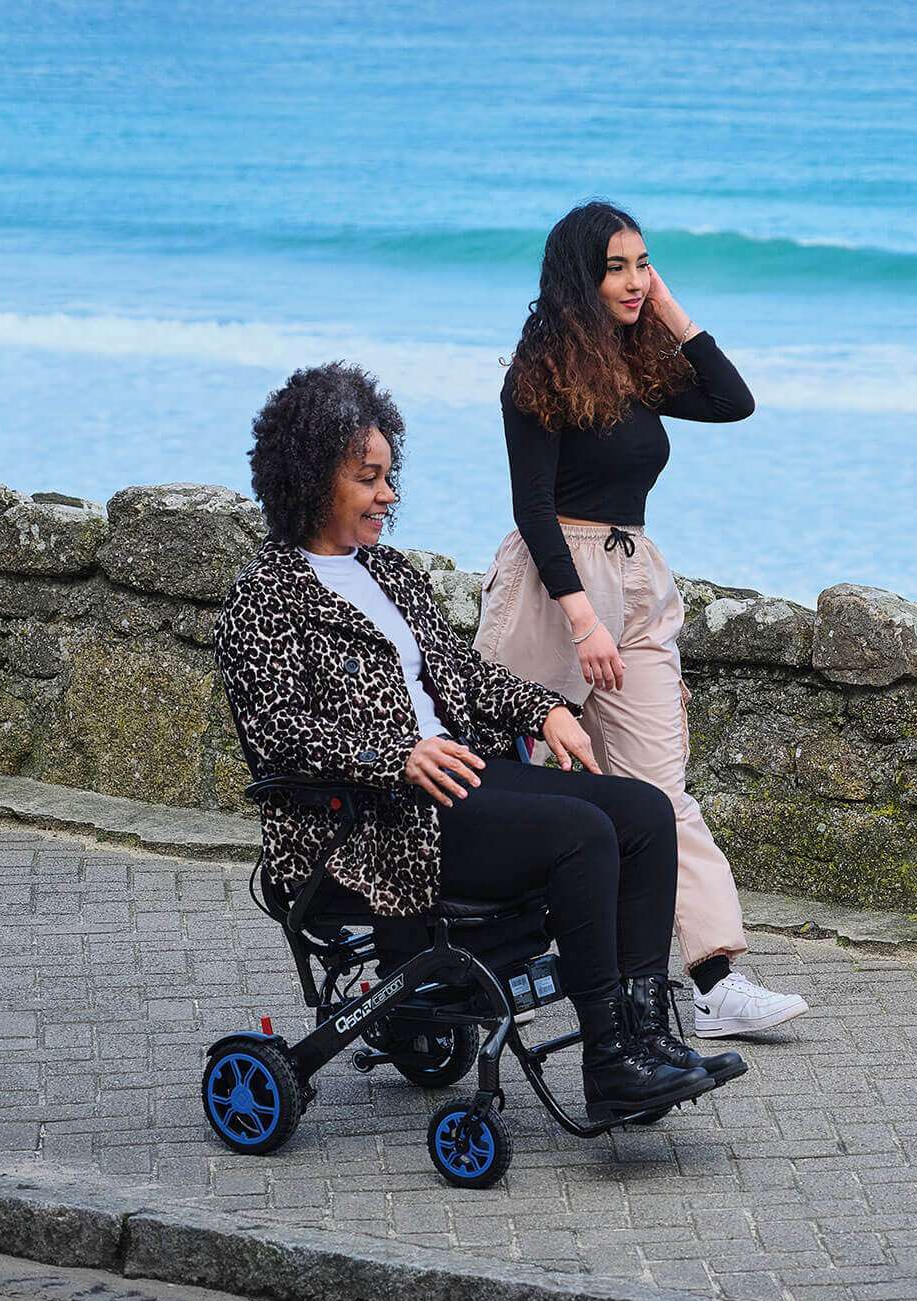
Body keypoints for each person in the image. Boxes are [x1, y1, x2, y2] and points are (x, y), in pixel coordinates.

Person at [215, 362, 744, 1120]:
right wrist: (392, 756)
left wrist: (543, 711)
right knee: (581, 833)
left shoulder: (388, 573)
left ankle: (646, 1037)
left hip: (459, 780)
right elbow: (281, 737)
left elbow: (465, 673)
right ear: (312, 476)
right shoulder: (264, 598)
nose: (388, 497)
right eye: (369, 479)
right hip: (374, 822)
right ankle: (608, 1059)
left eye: (388, 476)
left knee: (643, 812)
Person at [475, 201, 808, 1037]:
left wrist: (668, 309)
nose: (634, 279)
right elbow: (533, 508)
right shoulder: (539, 371)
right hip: (554, 585)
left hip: (633, 578)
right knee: (492, 766)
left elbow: (735, 400)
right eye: (618, 267)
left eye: (644, 263)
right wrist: (581, 620)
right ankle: (478, 953)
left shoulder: (638, 363)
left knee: (662, 791)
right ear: (580, 278)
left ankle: (715, 980)